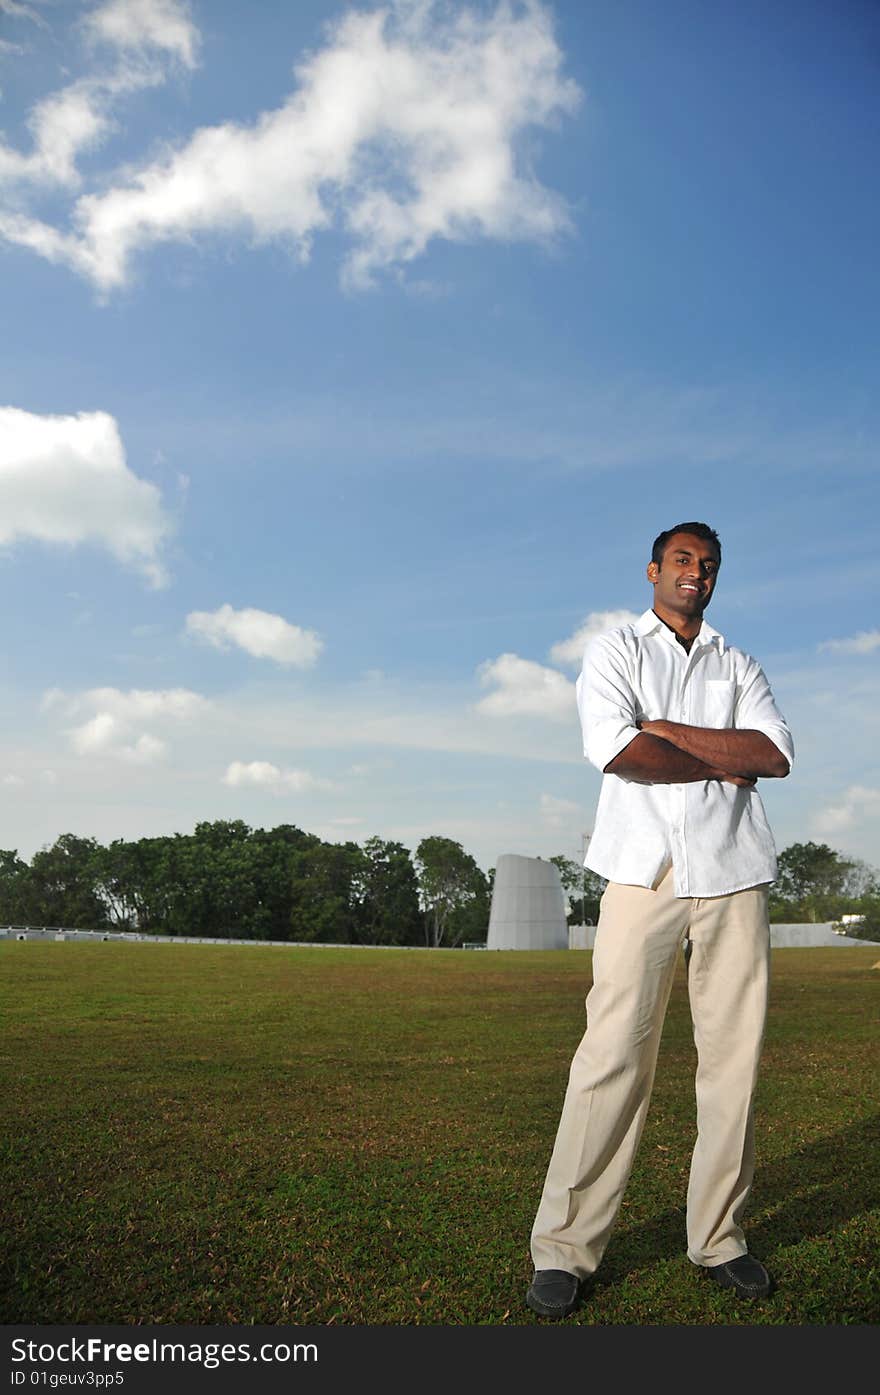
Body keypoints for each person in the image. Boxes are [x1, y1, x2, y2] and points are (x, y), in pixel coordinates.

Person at [526, 522, 793, 1317]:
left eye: (708, 566)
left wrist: (670, 730)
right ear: (654, 569)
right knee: (611, 1055)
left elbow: (773, 755)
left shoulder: (738, 661)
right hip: (642, 875)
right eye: (682, 560)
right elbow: (618, 749)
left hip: (734, 875)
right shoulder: (615, 650)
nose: (696, 574)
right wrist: (721, 756)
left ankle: (720, 1238)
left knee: (732, 1066)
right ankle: (566, 1248)